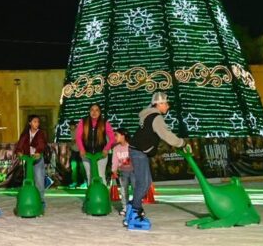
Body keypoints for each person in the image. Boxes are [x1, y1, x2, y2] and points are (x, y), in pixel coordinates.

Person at [128, 92, 190, 223]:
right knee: (143, 183)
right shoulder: (156, 117)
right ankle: (134, 212)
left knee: (146, 183)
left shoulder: (149, 115)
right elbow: (166, 135)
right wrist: (182, 143)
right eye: (166, 103)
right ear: (159, 104)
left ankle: (132, 207)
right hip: (138, 152)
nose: (167, 106)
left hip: (139, 151)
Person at [75, 104, 115, 185]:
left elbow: (112, 138)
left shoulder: (105, 122)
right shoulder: (83, 122)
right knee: (89, 175)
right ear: (89, 111)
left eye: (97, 110)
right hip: (87, 154)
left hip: (101, 154)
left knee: (100, 175)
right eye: (92, 110)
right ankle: (91, 195)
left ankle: (103, 195)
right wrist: (82, 149)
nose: (94, 112)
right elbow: (78, 137)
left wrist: (106, 149)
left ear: (100, 112)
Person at [14, 114, 48, 208]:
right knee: (28, 179)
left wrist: (38, 152)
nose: (37, 124)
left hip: (37, 159)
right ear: (30, 123)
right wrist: (19, 151)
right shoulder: (25, 133)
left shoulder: (40, 133)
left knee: (39, 180)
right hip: (28, 160)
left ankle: (41, 200)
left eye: (38, 122)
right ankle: (28, 197)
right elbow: (20, 144)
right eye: (34, 121)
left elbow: (42, 144)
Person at [110, 129, 133, 216]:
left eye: (116, 135)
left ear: (123, 135)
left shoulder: (131, 146)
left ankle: (136, 207)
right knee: (123, 190)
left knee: (135, 189)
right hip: (123, 172)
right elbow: (114, 160)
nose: (115, 137)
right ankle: (125, 207)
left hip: (133, 171)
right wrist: (114, 170)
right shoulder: (116, 148)